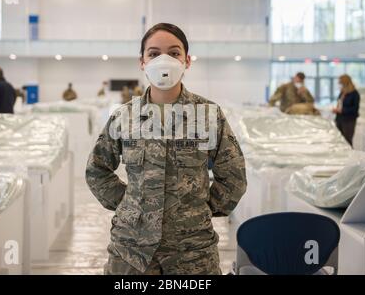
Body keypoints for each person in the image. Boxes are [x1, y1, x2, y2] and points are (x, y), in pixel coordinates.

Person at [86, 23, 247, 275]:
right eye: (153, 53)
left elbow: (234, 175)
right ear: (142, 62)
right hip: (132, 251)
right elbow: (97, 169)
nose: (163, 60)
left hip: (192, 254)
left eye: (173, 53)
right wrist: (128, 204)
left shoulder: (208, 115)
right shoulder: (124, 117)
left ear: (187, 61)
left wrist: (200, 209)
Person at [333, 74, 360, 146]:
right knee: (339, 140)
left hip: (349, 120)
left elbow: (355, 109)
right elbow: (340, 103)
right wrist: (336, 110)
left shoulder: (354, 94)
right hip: (339, 119)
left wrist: (342, 110)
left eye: (340, 83)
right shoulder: (342, 92)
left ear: (345, 83)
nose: (339, 85)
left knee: (347, 140)